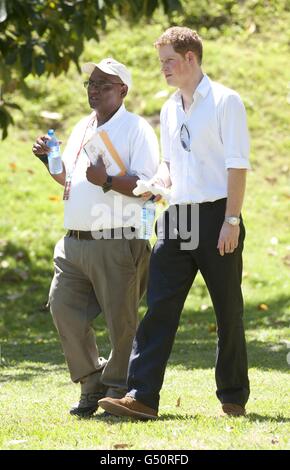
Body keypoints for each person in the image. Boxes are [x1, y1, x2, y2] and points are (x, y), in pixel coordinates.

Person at [98, 27, 251, 419]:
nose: (163, 68)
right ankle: (142, 395)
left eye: (168, 61)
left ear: (190, 59)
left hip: (218, 215)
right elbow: (170, 163)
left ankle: (233, 395)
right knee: (160, 307)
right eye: (161, 61)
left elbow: (237, 165)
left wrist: (231, 219)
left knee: (228, 310)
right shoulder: (169, 108)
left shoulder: (225, 102)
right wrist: (158, 183)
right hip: (178, 217)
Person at [32, 58, 159, 417]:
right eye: (91, 83)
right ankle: (92, 381)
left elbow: (150, 187)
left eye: (104, 84)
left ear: (123, 90)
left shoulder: (136, 129)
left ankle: (120, 390)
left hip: (117, 238)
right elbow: (69, 178)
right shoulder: (81, 127)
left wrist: (106, 180)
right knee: (62, 306)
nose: (94, 89)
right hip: (73, 241)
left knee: (122, 322)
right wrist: (49, 159)